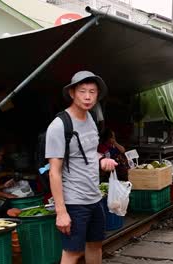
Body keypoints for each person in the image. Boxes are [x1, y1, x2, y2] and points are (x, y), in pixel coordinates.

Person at [45, 71, 118, 264]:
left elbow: (89, 151)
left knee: (95, 245)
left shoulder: (92, 119)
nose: (87, 96)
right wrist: (61, 212)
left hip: (94, 197)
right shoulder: (59, 126)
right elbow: (54, 171)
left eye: (92, 92)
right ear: (72, 93)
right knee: (73, 252)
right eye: (82, 91)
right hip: (74, 201)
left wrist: (101, 159)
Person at [0, 143, 17, 218]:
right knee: (5, 204)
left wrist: (4, 186)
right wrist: (7, 195)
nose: (1, 158)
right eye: (0, 155)